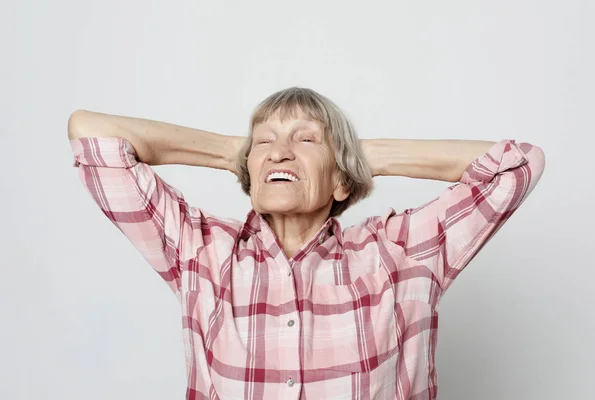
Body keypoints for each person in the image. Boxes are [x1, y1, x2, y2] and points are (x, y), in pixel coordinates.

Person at [68, 87, 545, 399]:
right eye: (264, 142)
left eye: (306, 140)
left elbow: (518, 165)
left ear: (342, 181)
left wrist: (361, 156)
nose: (279, 151)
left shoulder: (399, 253)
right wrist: (231, 153)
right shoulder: (201, 250)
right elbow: (90, 134)